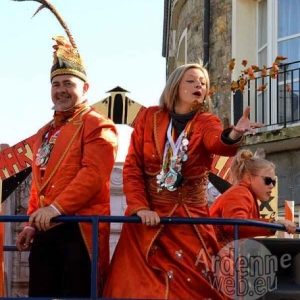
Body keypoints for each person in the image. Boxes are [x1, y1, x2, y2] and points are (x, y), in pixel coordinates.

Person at [103, 62, 264, 300]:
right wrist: (140, 208)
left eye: (203, 83)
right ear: (175, 86)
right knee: (139, 289)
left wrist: (234, 134)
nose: (199, 85)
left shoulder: (207, 121)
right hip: (147, 220)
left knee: (194, 288)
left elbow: (216, 142)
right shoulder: (149, 117)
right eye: (191, 80)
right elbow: (133, 169)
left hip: (189, 219)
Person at [15, 2, 118, 298]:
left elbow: (93, 175)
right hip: (46, 229)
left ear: (85, 88)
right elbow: (40, 184)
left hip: (80, 231)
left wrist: (55, 209)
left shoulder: (99, 125)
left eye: (68, 83)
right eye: (56, 84)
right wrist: (32, 224)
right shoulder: (44, 132)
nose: (61, 89)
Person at [210, 149, 297, 247]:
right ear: (249, 178)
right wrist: (274, 224)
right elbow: (235, 225)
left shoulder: (246, 194)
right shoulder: (240, 192)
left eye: (274, 182)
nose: (272, 186)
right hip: (209, 254)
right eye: (267, 180)